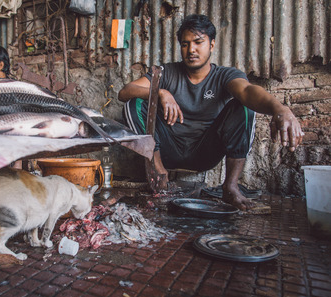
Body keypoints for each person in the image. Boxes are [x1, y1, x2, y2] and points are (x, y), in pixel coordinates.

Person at [118, 14, 303, 211]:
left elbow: (247, 91)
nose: (191, 50)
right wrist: (159, 92)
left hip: (205, 152)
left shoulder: (224, 75)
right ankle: (159, 174)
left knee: (244, 107)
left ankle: (231, 187)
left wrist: (280, 109)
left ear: (212, 45)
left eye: (198, 42)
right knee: (133, 103)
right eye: (185, 44)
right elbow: (124, 92)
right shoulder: (167, 72)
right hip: (165, 151)